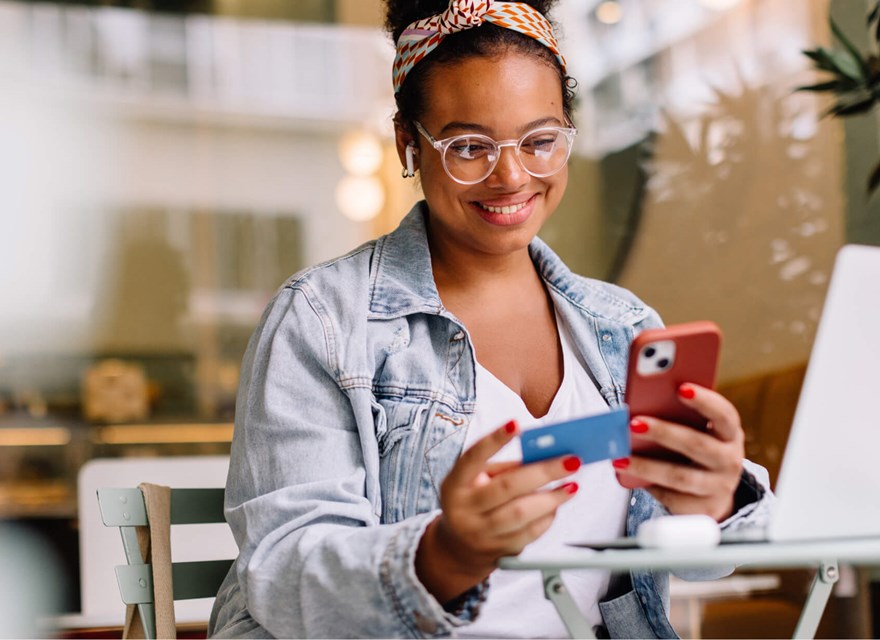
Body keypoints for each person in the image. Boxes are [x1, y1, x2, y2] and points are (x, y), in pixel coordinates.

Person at [209, 1, 773, 637]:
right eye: (470, 146)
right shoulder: (321, 320)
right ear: (408, 144)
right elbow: (285, 573)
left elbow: (704, 561)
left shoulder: (622, 328)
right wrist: (443, 556)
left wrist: (718, 503)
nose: (511, 177)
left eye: (539, 141)